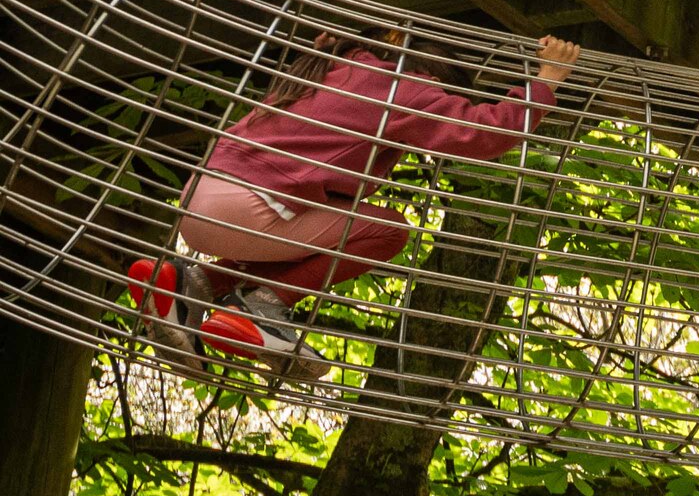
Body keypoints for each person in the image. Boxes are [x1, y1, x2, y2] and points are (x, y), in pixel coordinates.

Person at [127, 27, 577, 376]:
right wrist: (546, 82)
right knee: (387, 231)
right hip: (251, 205)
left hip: (199, 194)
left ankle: (193, 282)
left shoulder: (338, 64)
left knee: (319, 228)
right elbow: (486, 131)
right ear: (438, 82)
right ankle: (262, 305)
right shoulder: (409, 89)